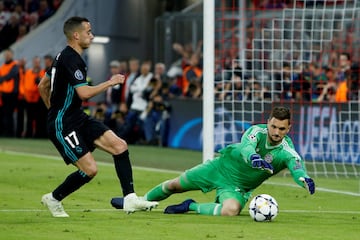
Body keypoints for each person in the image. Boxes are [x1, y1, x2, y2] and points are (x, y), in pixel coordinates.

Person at [38, 16, 158, 218]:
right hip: (64, 123)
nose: (92, 36)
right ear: (76, 35)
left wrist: (52, 108)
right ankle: (54, 198)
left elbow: (43, 85)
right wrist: (110, 82)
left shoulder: (62, 57)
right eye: (88, 32)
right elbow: (84, 93)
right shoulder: (71, 59)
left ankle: (130, 199)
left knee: (119, 146)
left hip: (77, 117)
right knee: (90, 170)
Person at [112, 106, 315, 216]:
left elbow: (297, 165)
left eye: (282, 129)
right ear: (268, 122)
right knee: (175, 184)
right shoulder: (256, 131)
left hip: (239, 187)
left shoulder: (286, 150)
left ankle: (190, 206)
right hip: (219, 168)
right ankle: (137, 202)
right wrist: (253, 157)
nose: (276, 132)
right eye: (274, 126)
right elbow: (246, 147)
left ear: (288, 129)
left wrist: (303, 178)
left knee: (230, 211)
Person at [0, 48, 20, 137]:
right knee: (5, 113)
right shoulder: (3, 66)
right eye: (6, 55)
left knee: (10, 114)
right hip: (3, 93)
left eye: (8, 54)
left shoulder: (15, 65)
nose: (7, 56)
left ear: (12, 55)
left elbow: (10, 76)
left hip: (12, 94)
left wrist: (2, 78)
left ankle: (10, 133)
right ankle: (5, 132)